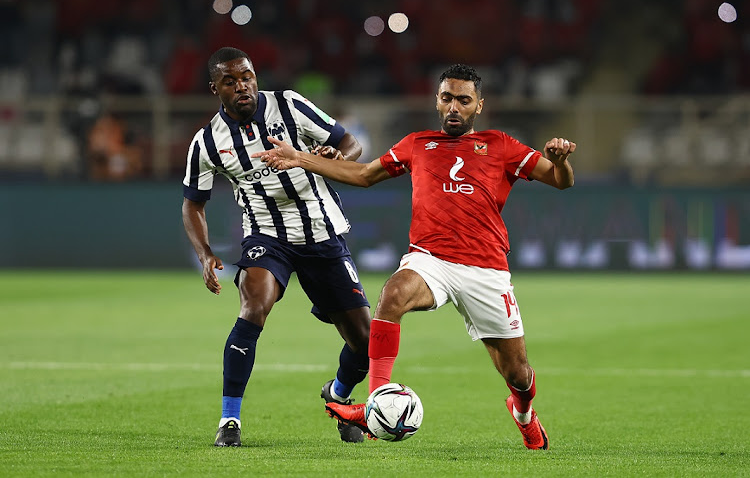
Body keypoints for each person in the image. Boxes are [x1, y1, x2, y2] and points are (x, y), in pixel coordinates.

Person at [253, 63, 577, 450]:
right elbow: (363, 175)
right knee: (392, 294)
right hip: (431, 260)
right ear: (437, 102)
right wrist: (300, 158)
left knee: (519, 374)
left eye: (463, 100)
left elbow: (561, 181)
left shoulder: (501, 145)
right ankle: (376, 403)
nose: (454, 107)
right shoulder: (418, 144)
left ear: (479, 105)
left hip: (486, 269)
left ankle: (523, 413)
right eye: (446, 98)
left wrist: (559, 160)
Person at [182, 47, 372, 446]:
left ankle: (337, 396)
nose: (242, 86)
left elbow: (351, 145)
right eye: (230, 81)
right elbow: (193, 204)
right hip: (267, 236)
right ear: (214, 88)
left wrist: (334, 156)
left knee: (365, 341)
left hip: (322, 232)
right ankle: (229, 420)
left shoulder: (288, 105)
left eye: (247, 76)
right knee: (253, 305)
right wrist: (205, 254)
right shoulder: (207, 142)